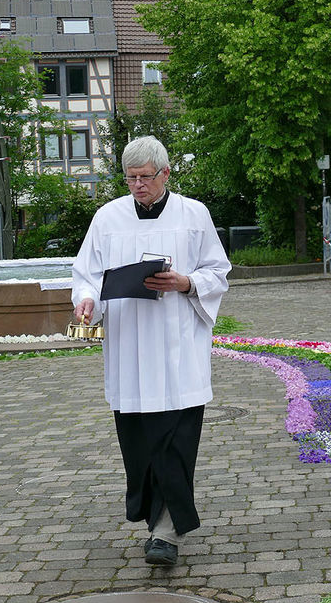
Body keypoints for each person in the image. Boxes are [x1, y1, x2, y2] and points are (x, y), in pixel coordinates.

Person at [71, 135, 231, 566]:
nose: (137, 186)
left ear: (165, 173)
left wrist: (186, 282)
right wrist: (86, 300)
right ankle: (155, 524)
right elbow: (86, 274)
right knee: (141, 445)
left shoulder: (193, 214)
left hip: (177, 348)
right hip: (130, 348)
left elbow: (218, 271)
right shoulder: (107, 218)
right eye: (130, 178)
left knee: (174, 442)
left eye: (145, 177)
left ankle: (166, 533)